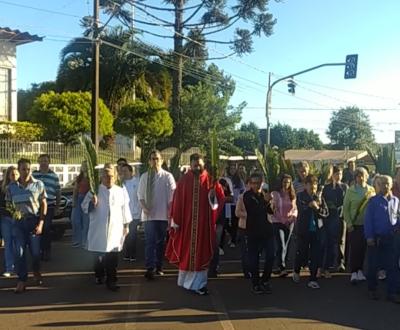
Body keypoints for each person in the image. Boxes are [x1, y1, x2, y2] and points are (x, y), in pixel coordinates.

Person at [165, 153, 224, 295]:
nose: (197, 167)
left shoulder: (211, 180)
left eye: (199, 164)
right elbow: (177, 201)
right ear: (190, 165)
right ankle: (185, 281)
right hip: (187, 225)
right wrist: (176, 221)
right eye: (194, 164)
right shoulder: (184, 181)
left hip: (204, 225)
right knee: (187, 252)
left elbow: (219, 199)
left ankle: (200, 284)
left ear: (203, 164)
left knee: (202, 252)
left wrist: (213, 196)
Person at [86, 165, 132, 291]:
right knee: (98, 256)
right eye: (106, 175)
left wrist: (126, 225)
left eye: (111, 176)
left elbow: (125, 209)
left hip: (115, 228)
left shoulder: (121, 190)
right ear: (101, 176)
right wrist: (92, 203)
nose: (108, 178)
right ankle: (99, 274)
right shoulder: (94, 191)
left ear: (115, 176)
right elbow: (84, 207)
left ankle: (112, 280)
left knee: (112, 256)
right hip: (98, 228)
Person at [6, 158, 47, 293]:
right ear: (18, 170)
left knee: (35, 253)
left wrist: (41, 223)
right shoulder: (11, 187)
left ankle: (36, 270)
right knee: (19, 252)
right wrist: (13, 213)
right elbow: (8, 205)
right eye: (23, 169)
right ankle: (22, 280)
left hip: (33, 221)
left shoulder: (38, 184)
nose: (26, 171)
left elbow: (43, 204)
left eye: (28, 169)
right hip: (18, 223)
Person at [138, 150, 176, 280]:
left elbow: (172, 196)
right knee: (150, 242)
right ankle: (150, 268)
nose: (155, 161)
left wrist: (171, 213)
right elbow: (140, 196)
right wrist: (145, 208)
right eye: (153, 159)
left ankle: (159, 266)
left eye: (157, 159)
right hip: (149, 216)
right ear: (149, 161)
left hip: (163, 216)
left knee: (161, 242)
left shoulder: (168, 176)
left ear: (162, 160)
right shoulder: (144, 177)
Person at [364, 175, 400, 303]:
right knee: (373, 265)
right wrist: (369, 236)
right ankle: (372, 289)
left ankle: (392, 292)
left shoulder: (396, 200)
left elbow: (398, 217)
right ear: (378, 185)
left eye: (387, 183)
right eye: (382, 183)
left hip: (391, 238)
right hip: (376, 238)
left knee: (392, 266)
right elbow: (368, 220)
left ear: (391, 185)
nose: (385, 186)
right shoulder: (373, 201)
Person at [292, 174, 329, 289]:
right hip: (304, 230)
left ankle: (313, 278)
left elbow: (325, 213)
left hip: (317, 230)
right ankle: (296, 270)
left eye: (315, 185)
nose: (313, 187)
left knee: (315, 254)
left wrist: (318, 208)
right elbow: (301, 208)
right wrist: (309, 205)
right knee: (302, 252)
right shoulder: (300, 196)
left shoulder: (320, 197)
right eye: (310, 185)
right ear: (305, 185)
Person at [243, 172, 275, 294]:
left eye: (258, 183)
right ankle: (256, 283)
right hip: (253, 231)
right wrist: (265, 202)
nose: (256, 185)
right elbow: (254, 211)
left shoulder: (264, 194)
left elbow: (271, 212)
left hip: (267, 230)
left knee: (271, 255)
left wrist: (270, 202)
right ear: (250, 184)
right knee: (254, 259)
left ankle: (265, 280)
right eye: (253, 183)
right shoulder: (247, 196)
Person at [343, 167, 375, 284]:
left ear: (366, 176)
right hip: (354, 224)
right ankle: (353, 272)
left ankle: (360, 270)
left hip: (367, 225)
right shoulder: (350, 191)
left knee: (363, 248)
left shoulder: (371, 190)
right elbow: (346, 209)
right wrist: (349, 223)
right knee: (355, 248)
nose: (360, 178)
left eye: (362, 175)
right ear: (355, 177)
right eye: (357, 176)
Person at [32, 154, 61, 261]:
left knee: (46, 228)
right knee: (37, 228)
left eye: (45, 161)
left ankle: (46, 250)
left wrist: (57, 206)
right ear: (38, 162)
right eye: (41, 161)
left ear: (49, 162)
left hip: (49, 206)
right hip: (35, 207)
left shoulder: (54, 176)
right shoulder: (34, 175)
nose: (43, 163)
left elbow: (58, 192)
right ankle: (38, 250)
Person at [321, 166, 348, 277]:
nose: (338, 176)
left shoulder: (344, 187)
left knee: (341, 240)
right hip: (330, 217)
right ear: (332, 174)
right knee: (330, 241)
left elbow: (345, 201)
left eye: (340, 174)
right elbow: (323, 201)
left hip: (341, 216)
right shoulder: (326, 188)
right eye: (336, 174)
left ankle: (340, 262)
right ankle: (328, 264)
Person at [271, 174, 298, 277]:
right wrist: (282, 220)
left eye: (288, 182)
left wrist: (292, 218)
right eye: (284, 182)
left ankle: (282, 264)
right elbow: (273, 209)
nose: (286, 184)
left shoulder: (292, 194)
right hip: (278, 222)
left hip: (289, 222)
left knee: (286, 245)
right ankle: (281, 266)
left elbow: (295, 209)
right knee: (281, 243)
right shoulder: (276, 194)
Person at [209, 178, 233, 278]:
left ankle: (213, 268)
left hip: (218, 219)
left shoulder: (219, 185)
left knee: (215, 244)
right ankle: (207, 267)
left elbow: (225, 198)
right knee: (209, 244)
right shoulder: (203, 184)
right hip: (208, 219)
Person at [0, 166, 19, 277]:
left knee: (18, 243)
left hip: (18, 218)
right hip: (6, 218)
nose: (15, 177)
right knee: (8, 243)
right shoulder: (2, 187)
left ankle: (19, 266)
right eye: (12, 175)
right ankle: (9, 267)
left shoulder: (20, 186)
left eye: (16, 174)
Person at [121, 163, 141, 262]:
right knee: (125, 234)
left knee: (132, 234)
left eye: (125, 171)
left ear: (130, 172)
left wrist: (139, 212)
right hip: (123, 214)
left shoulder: (136, 182)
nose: (123, 173)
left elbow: (139, 198)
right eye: (122, 171)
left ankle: (132, 253)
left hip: (134, 213)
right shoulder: (121, 183)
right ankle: (127, 253)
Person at [224, 164, 245, 247]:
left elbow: (242, 191)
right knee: (225, 222)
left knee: (234, 222)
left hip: (235, 204)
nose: (232, 170)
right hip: (227, 204)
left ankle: (233, 240)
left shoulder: (239, 180)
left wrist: (238, 198)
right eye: (231, 168)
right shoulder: (226, 180)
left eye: (234, 169)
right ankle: (233, 236)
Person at [70, 161, 90, 248]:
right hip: (79, 198)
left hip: (88, 199)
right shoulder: (79, 178)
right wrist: (74, 200)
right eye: (83, 165)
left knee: (86, 221)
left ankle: (85, 241)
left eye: (86, 165)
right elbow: (75, 190)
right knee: (75, 220)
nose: (84, 167)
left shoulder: (92, 178)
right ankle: (77, 240)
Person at [235, 178, 251, 278]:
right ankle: (246, 270)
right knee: (245, 250)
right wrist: (249, 215)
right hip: (244, 227)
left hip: (256, 227)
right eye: (250, 184)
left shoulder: (260, 196)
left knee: (254, 250)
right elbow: (237, 213)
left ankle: (252, 268)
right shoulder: (241, 197)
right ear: (246, 185)